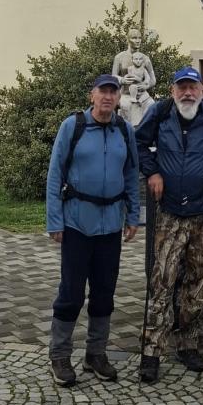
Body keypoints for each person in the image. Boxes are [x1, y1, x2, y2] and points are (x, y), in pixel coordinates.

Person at [135, 66, 203, 383]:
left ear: (202, 90)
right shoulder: (160, 112)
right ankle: (151, 352)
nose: (187, 93)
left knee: (199, 284)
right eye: (181, 87)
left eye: (192, 87)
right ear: (172, 91)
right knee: (161, 282)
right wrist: (152, 172)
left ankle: (188, 344)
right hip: (169, 211)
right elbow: (138, 144)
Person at [46, 73, 140, 388]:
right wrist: (54, 220)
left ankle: (95, 353)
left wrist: (133, 216)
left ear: (118, 98)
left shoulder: (124, 130)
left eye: (114, 92)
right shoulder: (72, 126)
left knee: (104, 292)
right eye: (103, 91)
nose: (108, 97)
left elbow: (132, 174)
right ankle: (60, 354)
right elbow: (55, 173)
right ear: (92, 95)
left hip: (111, 224)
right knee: (71, 293)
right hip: (76, 222)